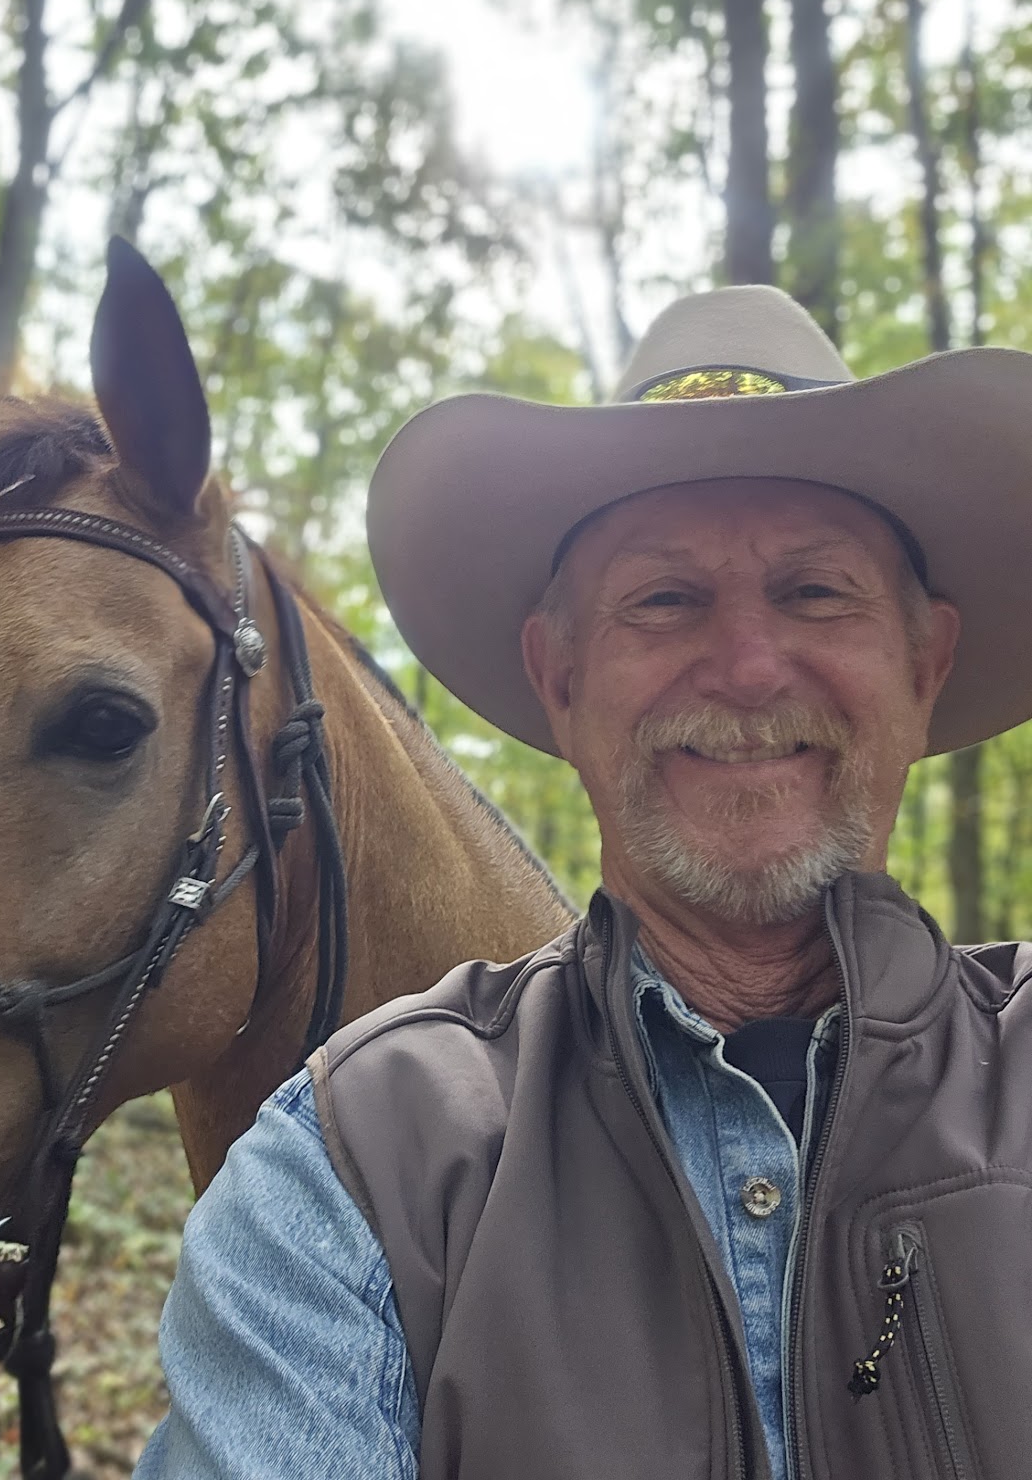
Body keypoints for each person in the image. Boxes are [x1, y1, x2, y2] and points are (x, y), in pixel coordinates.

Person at [133, 285, 1032, 1479]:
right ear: (559, 677)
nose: (750, 665)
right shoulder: (354, 1169)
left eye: (817, 591)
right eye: (664, 599)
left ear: (927, 661)